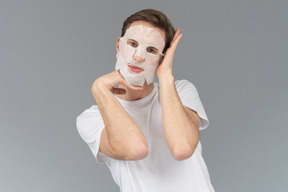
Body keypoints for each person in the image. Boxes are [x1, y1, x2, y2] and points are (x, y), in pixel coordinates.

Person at [76, 9, 215, 192]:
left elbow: (182, 148)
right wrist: (99, 89)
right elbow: (135, 149)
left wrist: (165, 74)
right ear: (118, 44)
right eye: (132, 43)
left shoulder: (181, 91)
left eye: (151, 50)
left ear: (162, 58)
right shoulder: (92, 118)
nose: (139, 56)